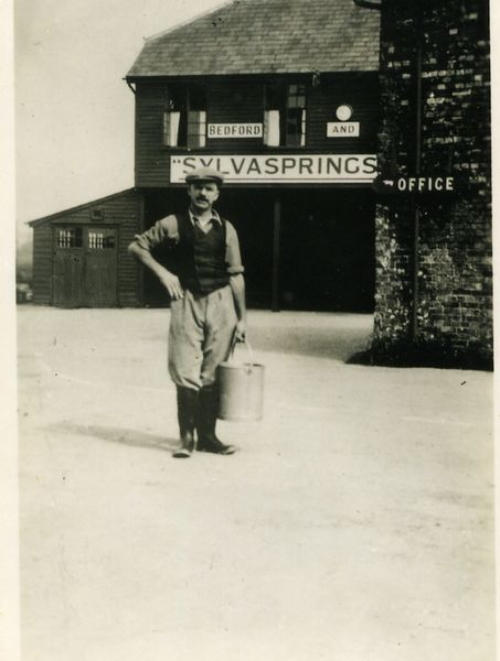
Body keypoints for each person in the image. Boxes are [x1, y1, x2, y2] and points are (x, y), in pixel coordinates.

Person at [128, 167, 246, 458]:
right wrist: (164, 274)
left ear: (217, 194)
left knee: (213, 370)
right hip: (186, 301)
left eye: (209, 188)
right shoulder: (173, 223)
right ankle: (187, 439)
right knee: (184, 368)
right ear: (188, 191)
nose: (203, 193)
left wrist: (242, 319)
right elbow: (137, 246)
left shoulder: (227, 228)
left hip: (221, 302)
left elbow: (236, 275)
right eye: (197, 187)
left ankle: (208, 436)